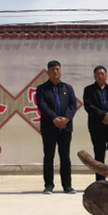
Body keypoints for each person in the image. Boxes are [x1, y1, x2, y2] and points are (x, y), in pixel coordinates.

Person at [36, 61, 78, 194]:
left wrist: (66, 119)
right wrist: (54, 118)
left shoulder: (68, 88)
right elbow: (42, 105)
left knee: (65, 156)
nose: (55, 72)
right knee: (49, 156)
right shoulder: (42, 88)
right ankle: (49, 185)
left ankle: (67, 185)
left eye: (57, 69)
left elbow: (73, 105)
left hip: (65, 127)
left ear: (61, 71)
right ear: (48, 72)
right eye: (53, 70)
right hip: (49, 127)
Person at [82, 66, 108, 181]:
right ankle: (100, 181)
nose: (100, 76)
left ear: (106, 76)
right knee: (99, 154)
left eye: (102, 74)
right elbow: (88, 106)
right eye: (98, 74)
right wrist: (103, 115)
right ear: (94, 76)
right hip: (98, 127)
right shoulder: (89, 90)